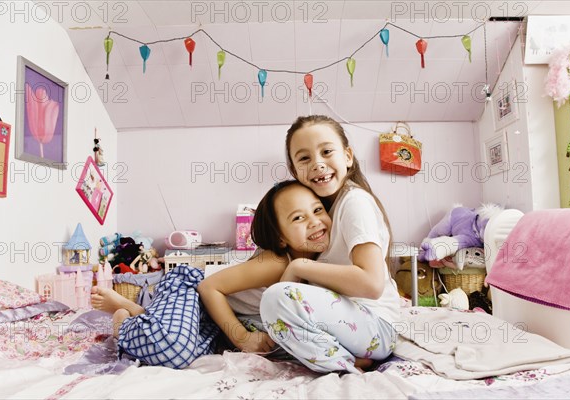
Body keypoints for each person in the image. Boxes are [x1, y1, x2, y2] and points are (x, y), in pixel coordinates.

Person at [91, 180, 331, 367]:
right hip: (192, 289)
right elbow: (209, 288)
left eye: (318, 210)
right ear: (280, 237)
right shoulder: (277, 262)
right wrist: (242, 338)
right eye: (298, 218)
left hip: (214, 320)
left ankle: (146, 315)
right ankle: (126, 316)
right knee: (173, 348)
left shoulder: (322, 266)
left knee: (187, 357)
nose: (314, 222)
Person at [259, 115, 400, 374]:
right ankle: (345, 356)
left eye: (326, 152)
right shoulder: (325, 209)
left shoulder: (354, 201)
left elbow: (371, 283)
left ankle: (346, 366)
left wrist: (300, 267)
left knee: (276, 299)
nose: (318, 164)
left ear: (348, 156)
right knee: (270, 315)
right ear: (294, 171)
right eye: (304, 158)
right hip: (352, 323)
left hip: (376, 326)